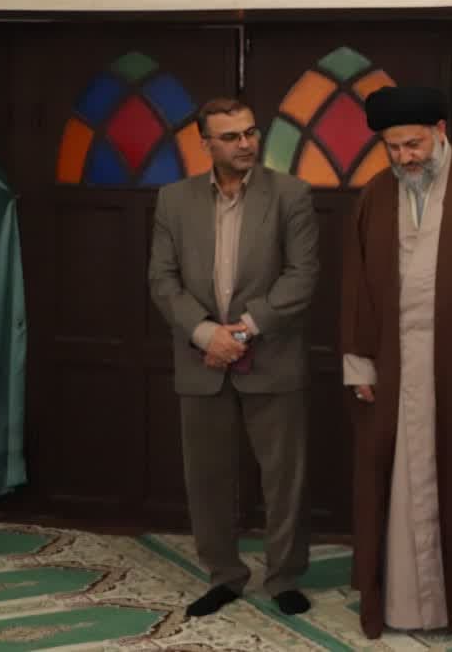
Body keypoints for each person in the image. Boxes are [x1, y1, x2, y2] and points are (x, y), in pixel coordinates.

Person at [341, 85, 452, 639]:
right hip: (395, 367)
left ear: (441, 131)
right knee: (394, 479)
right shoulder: (376, 194)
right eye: (393, 148)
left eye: (414, 144)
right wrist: (360, 363)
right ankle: (405, 604)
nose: (405, 157)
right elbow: (357, 284)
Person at [148, 97, 319, 618]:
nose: (245, 144)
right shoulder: (174, 200)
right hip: (201, 361)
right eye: (231, 137)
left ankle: (284, 576)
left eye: (250, 133)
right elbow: (162, 279)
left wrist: (241, 332)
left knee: (284, 478)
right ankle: (224, 575)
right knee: (207, 478)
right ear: (205, 144)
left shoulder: (291, 195)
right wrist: (206, 335)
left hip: (271, 356)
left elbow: (302, 276)